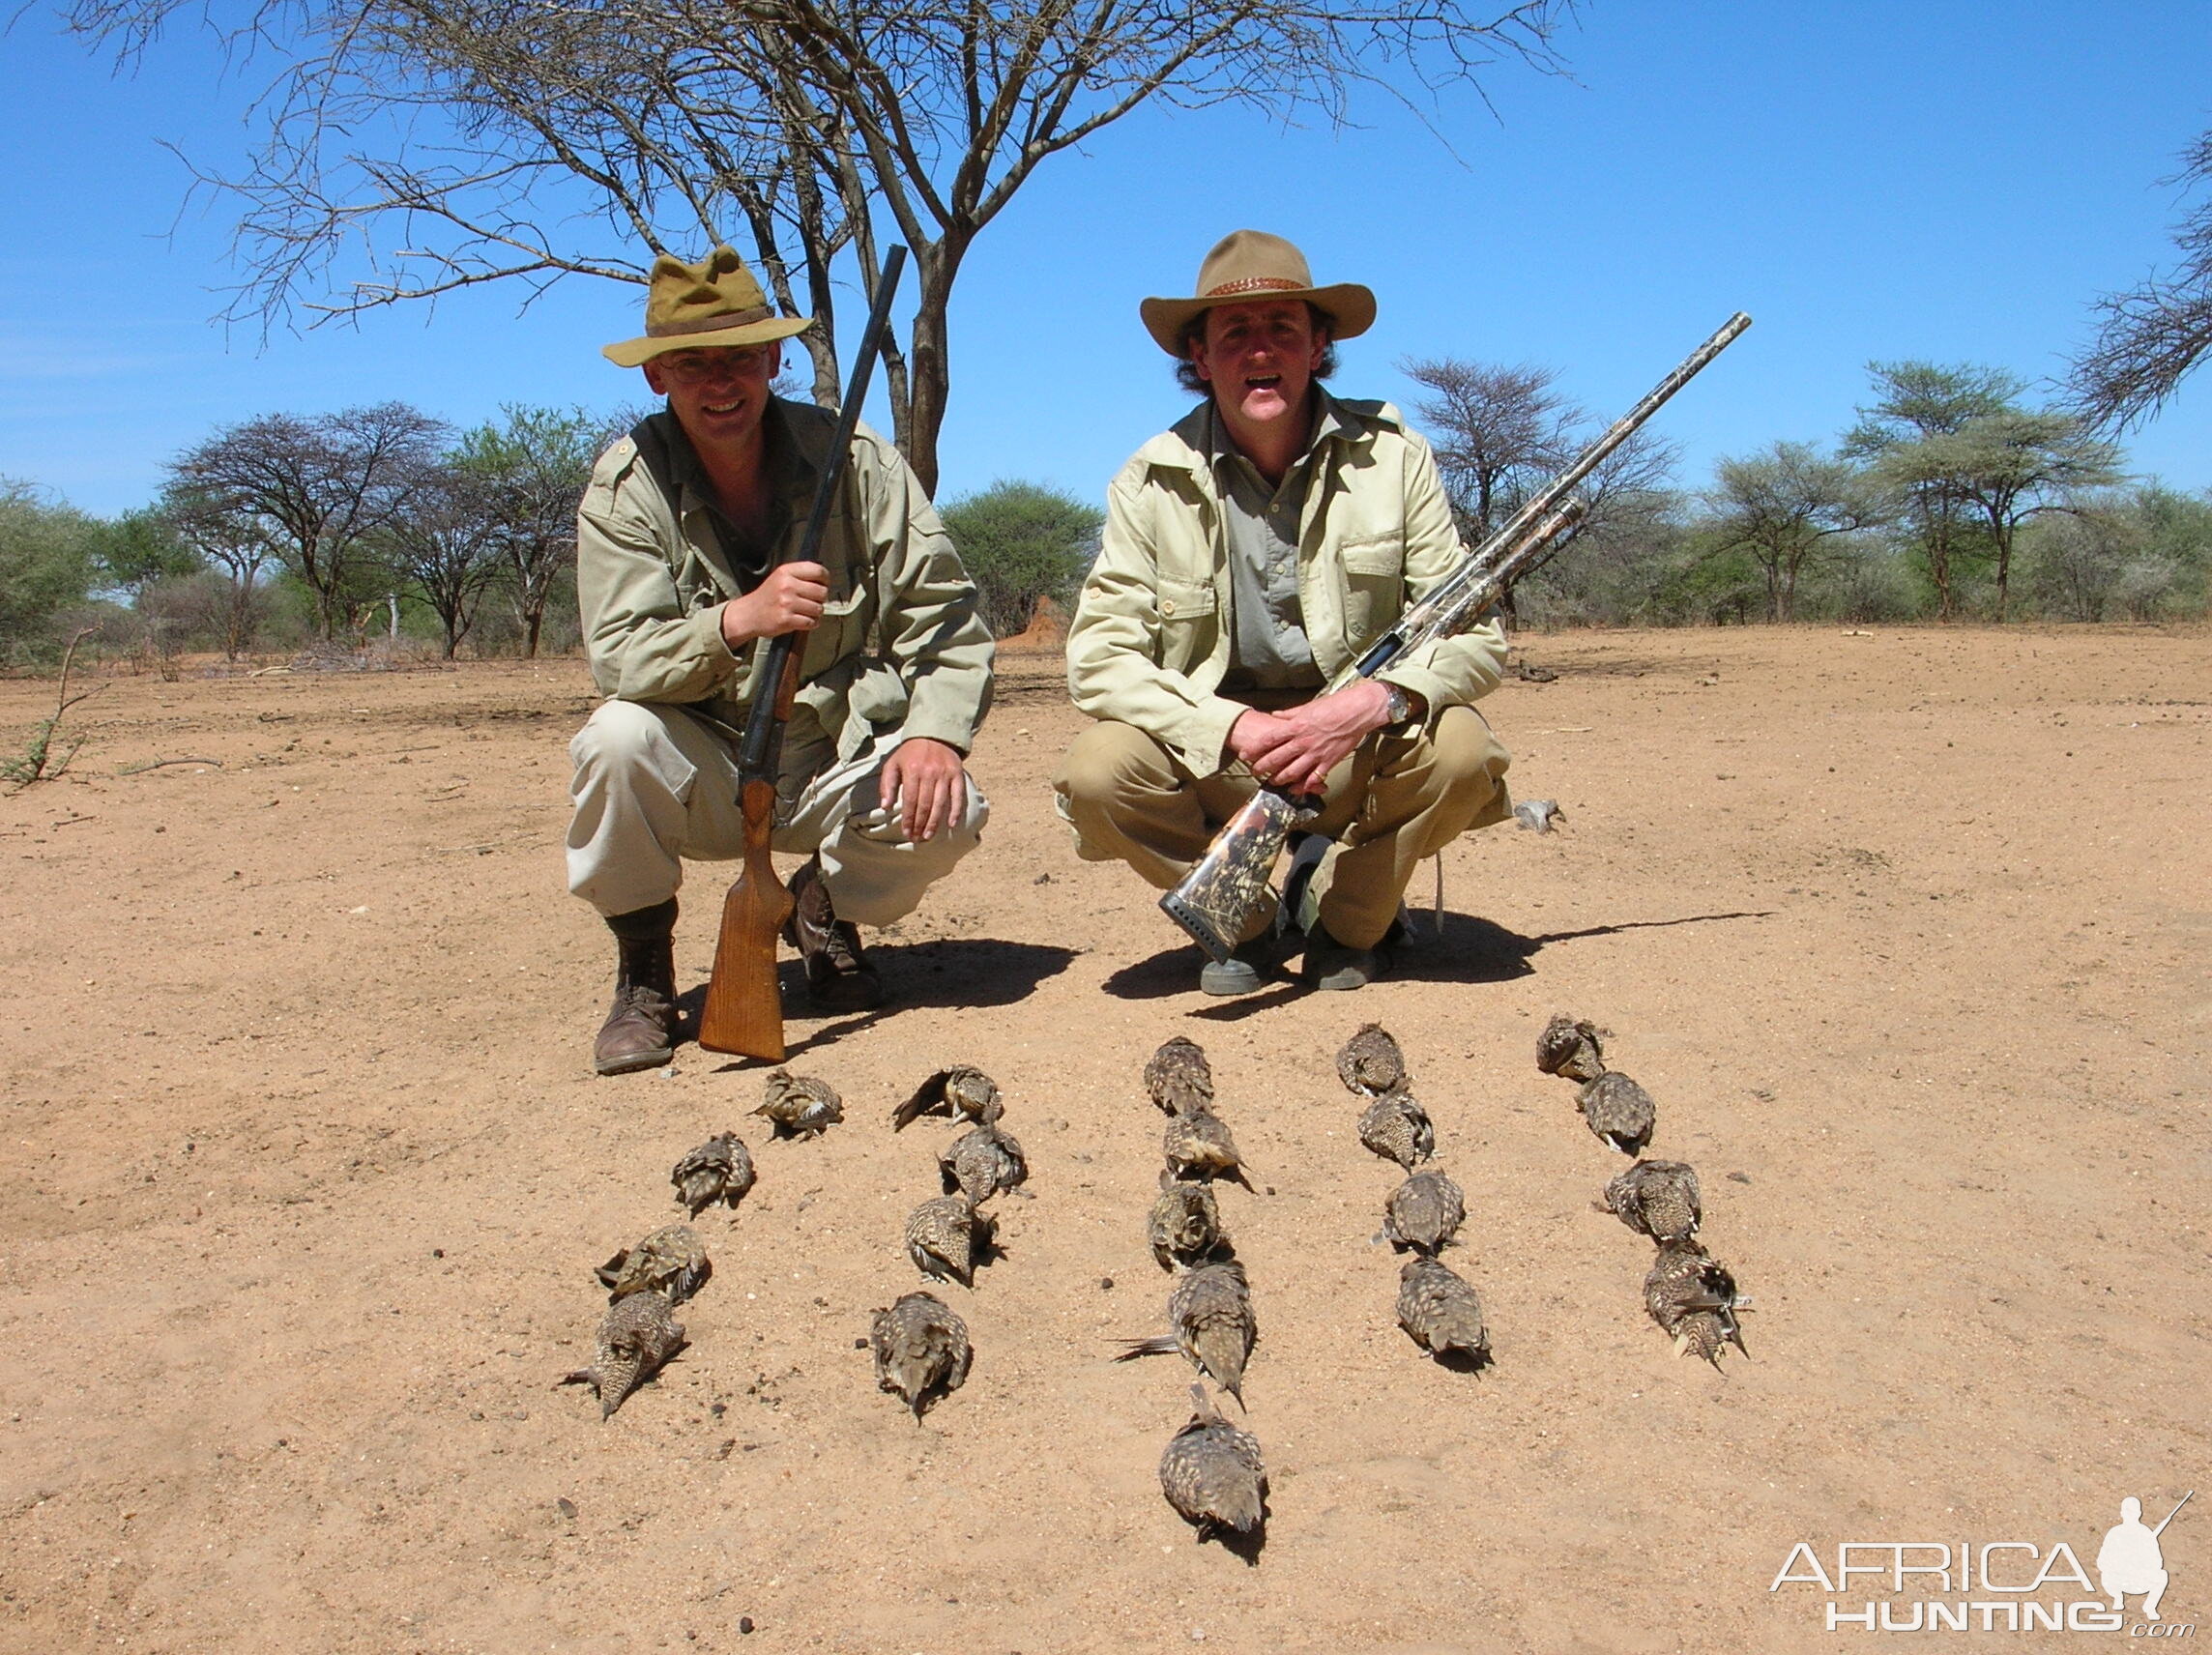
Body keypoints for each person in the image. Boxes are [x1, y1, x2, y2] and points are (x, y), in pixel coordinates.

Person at [568, 247, 994, 1074]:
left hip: (829, 752)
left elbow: (942, 615)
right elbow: (619, 659)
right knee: (612, 742)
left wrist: (935, 735)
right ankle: (645, 974)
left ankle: (821, 908)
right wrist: (738, 620)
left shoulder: (858, 458)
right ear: (659, 377)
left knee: (955, 803)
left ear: (773, 359)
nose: (718, 382)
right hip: (699, 762)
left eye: (738, 359)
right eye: (692, 364)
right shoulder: (626, 485)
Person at [1055, 230, 1512, 995]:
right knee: (1099, 773)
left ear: (1318, 345)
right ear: (1200, 358)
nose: (1260, 352)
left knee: (1463, 747)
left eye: (1282, 330)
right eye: (1235, 333)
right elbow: (1099, 659)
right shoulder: (1147, 479)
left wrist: (1372, 702)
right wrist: (1233, 728)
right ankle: (1250, 922)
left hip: (1354, 743)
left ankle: (1351, 924)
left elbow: (1476, 640)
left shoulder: (1398, 456)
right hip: (1227, 754)